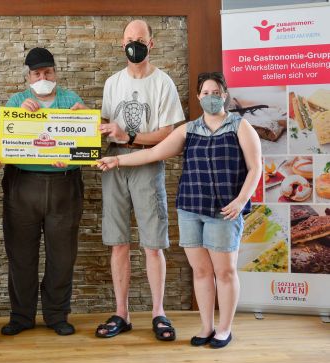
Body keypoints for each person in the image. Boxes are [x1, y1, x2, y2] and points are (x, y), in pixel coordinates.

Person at [97, 71, 262, 348]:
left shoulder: (240, 126)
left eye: (216, 92)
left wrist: (241, 200)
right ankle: (207, 327)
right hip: (191, 209)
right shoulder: (189, 129)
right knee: (200, 272)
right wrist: (116, 161)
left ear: (225, 95)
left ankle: (224, 329)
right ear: (198, 97)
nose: (211, 97)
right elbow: (152, 153)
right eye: (206, 93)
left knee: (225, 272)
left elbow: (256, 167)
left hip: (224, 211)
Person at [95, 19, 185, 341]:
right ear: (122, 45)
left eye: (140, 39)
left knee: (152, 243)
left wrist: (129, 136)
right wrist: (79, 122)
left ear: (151, 44)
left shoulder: (163, 83)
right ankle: (122, 313)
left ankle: (158, 312)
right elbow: (106, 126)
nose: (135, 44)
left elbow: (169, 134)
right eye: (130, 39)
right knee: (118, 242)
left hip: (148, 164)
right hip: (113, 165)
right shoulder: (111, 83)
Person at [0, 47, 86, 336]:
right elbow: (0, 143)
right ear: (28, 77)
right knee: (21, 255)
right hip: (22, 184)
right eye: (37, 73)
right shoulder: (16, 101)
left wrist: (87, 120)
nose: (43, 77)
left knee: (62, 256)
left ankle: (56, 315)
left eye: (47, 72)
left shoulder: (72, 100)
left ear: (55, 73)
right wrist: (18, 116)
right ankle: (21, 316)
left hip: (65, 184)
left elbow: (89, 143)